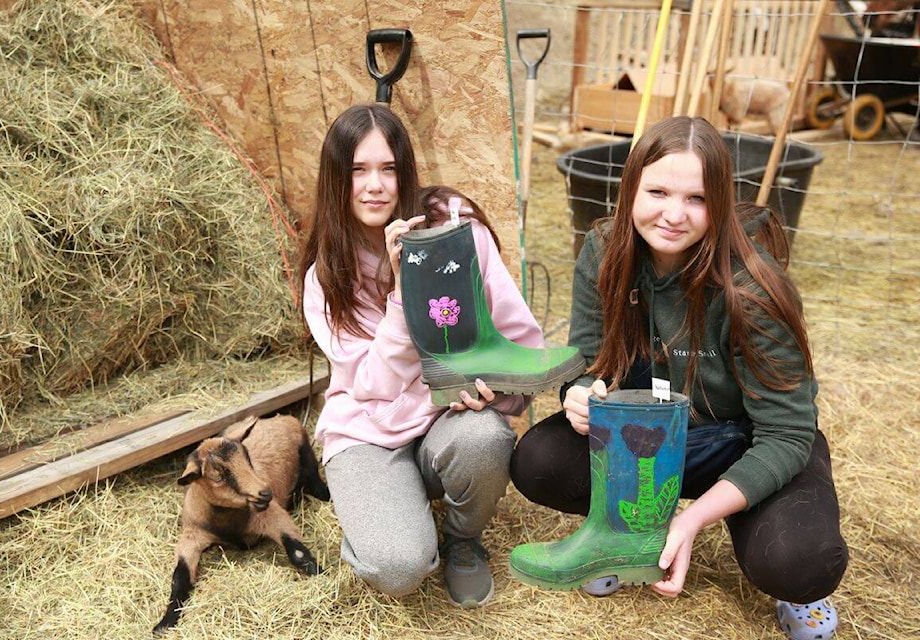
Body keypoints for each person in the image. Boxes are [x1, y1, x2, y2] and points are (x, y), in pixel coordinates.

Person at [510, 116, 848, 639]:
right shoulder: (603, 252)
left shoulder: (753, 286)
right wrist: (580, 395)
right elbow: (589, 361)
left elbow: (788, 434)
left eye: (696, 198)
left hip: (746, 441)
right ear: (630, 189)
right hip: (652, 438)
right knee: (539, 461)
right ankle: (626, 537)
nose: (673, 214)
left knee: (800, 561)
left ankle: (751, 522)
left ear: (719, 201)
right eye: (658, 191)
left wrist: (692, 521)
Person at [299, 103, 544, 608]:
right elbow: (373, 386)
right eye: (357, 171)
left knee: (482, 439)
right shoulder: (324, 278)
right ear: (335, 181)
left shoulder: (456, 232)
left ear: (405, 173)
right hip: (368, 430)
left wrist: (493, 390)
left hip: (444, 419)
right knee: (400, 566)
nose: (374, 186)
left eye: (388, 169)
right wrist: (402, 292)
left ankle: (462, 539)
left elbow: (522, 340)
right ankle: (381, 520)